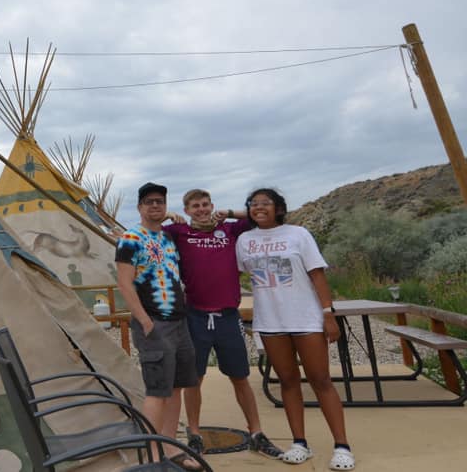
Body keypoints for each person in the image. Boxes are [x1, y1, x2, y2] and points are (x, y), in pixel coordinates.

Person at [235, 188, 354, 471]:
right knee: (287, 381)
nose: (259, 207)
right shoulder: (244, 240)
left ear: (279, 208)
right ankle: (299, 442)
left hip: (304, 317)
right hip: (270, 320)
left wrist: (328, 314)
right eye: (253, 204)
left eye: (266, 203)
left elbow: (317, 274)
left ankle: (342, 446)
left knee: (320, 380)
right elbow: (235, 274)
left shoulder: (298, 234)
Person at [163, 189, 283, 459]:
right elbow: (147, 230)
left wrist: (228, 213)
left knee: (240, 376)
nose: (202, 209)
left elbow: (258, 218)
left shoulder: (228, 230)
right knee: (195, 379)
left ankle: (256, 433)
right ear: (187, 209)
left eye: (205, 205)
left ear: (212, 206)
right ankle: (194, 433)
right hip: (195, 315)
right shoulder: (179, 232)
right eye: (195, 206)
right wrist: (169, 217)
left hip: (228, 315)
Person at [115, 182, 202, 471]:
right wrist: (144, 320)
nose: (155, 206)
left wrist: (173, 217)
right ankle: (152, 455)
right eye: (149, 202)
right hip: (154, 323)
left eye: (160, 202)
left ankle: (171, 448)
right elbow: (124, 283)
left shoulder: (167, 239)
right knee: (157, 391)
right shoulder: (130, 238)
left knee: (176, 387)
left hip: (179, 321)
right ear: (140, 206)